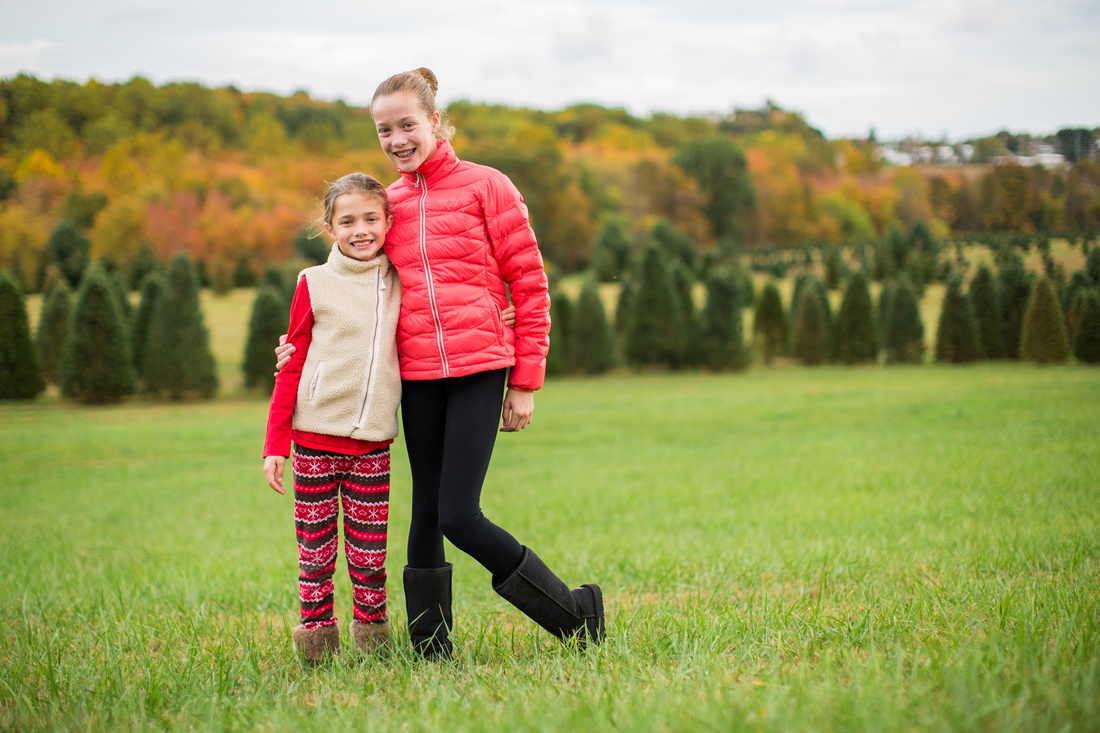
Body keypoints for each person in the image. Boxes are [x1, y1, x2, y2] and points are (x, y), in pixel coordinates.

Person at [278, 68, 605, 659]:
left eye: (407, 124)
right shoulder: (388, 204)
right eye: (384, 130)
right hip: (418, 376)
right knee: (425, 510)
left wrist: (525, 380)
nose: (397, 139)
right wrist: (298, 343)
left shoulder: (488, 186)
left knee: (459, 512)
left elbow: (529, 283)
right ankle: (431, 649)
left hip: (480, 369)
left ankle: (575, 615)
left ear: (434, 121)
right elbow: (346, 283)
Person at [263, 173, 402, 666]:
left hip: (373, 448)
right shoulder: (313, 283)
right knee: (315, 555)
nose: (360, 229)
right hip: (313, 445)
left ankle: (374, 645)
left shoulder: (400, 280)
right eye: (347, 221)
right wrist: (275, 443)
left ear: (388, 221)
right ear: (330, 228)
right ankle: (317, 648)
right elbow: (292, 361)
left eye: (371, 218)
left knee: (369, 558)